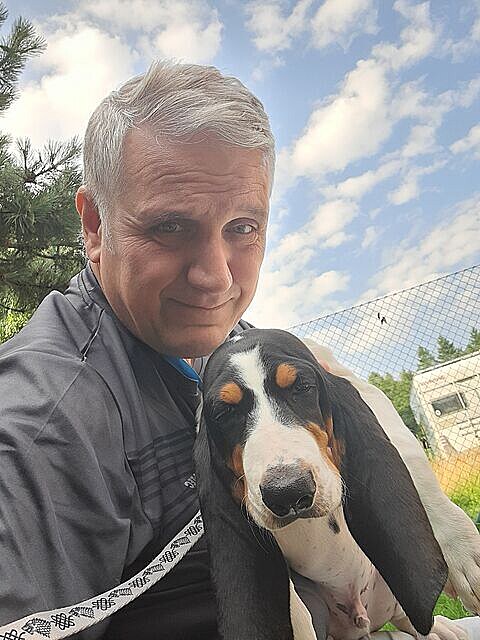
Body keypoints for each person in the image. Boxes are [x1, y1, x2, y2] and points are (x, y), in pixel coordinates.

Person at [0, 60, 478, 640]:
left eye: (243, 227)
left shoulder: (223, 344)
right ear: (97, 226)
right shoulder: (45, 424)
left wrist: (439, 524)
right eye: (170, 228)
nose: (216, 278)